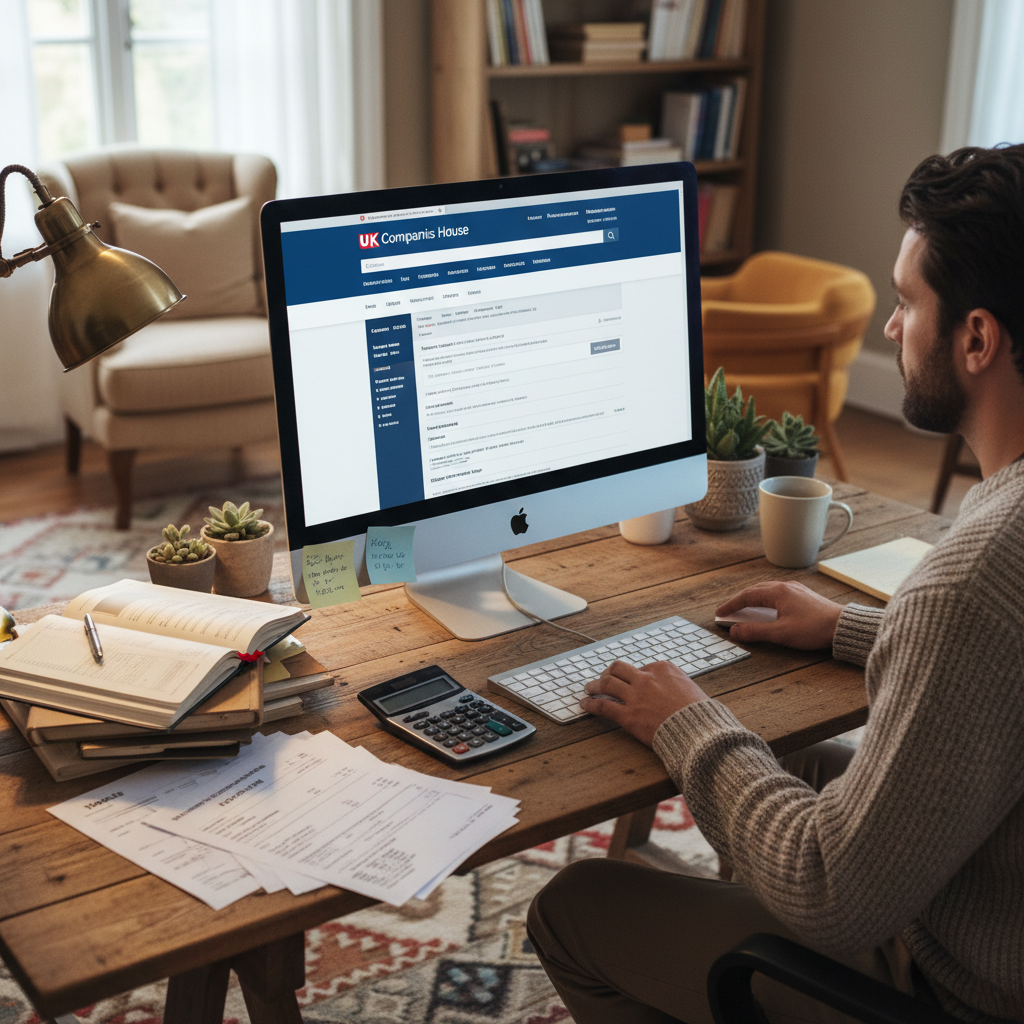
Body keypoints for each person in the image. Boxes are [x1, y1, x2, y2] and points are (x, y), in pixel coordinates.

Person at [526, 143, 1024, 1024]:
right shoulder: (978, 587)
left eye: (908, 302)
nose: (891, 330)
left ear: (978, 338)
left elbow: (832, 893)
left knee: (574, 907)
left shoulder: (972, 577)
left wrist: (688, 722)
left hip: (962, 987)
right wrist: (860, 630)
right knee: (786, 752)